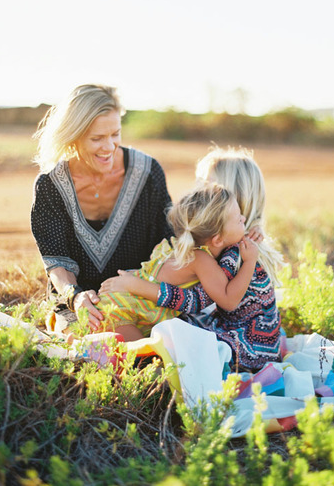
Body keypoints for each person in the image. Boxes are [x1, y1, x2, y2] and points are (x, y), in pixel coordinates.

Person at [102, 146, 284, 371]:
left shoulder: (236, 253)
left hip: (247, 341)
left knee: (176, 335)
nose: (199, 191)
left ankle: (145, 366)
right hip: (239, 326)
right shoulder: (241, 240)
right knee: (174, 326)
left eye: (206, 185)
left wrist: (138, 286)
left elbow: (194, 300)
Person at [30, 83, 173, 334]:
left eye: (115, 134)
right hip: (79, 302)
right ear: (73, 136)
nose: (108, 147)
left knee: (142, 348)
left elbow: (170, 242)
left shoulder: (148, 173)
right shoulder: (50, 187)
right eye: (97, 138)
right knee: (91, 347)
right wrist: (75, 298)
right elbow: (57, 264)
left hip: (137, 296)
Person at [96, 182, 258, 342]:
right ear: (217, 240)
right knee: (141, 360)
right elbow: (229, 301)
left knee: (143, 357)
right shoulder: (201, 259)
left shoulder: (185, 248)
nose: (244, 218)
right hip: (121, 310)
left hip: (129, 304)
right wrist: (250, 261)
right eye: (239, 220)